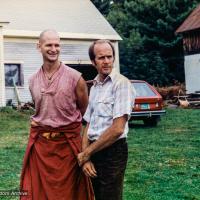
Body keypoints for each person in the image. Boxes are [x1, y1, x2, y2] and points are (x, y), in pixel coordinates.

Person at [20, 29, 94, 200]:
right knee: (36, 192)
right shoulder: (32, 80)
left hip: (68, 145)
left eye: (57, 45)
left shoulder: (76, 78)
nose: (53, 49)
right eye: (49, 45)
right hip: (41, 146)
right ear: (39, 47)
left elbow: (85, 112)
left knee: (68, 193)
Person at [77, 39, 135, 200]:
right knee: (93, 195)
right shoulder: (95, 86)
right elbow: (88, 123)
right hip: (94, 151)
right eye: (101, 57)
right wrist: (86, 158)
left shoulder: (122, 84)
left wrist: (86, 153)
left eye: (109, 57)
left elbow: (117, 129)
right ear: (93, 61)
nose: (107, 61)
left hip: (113, 152)